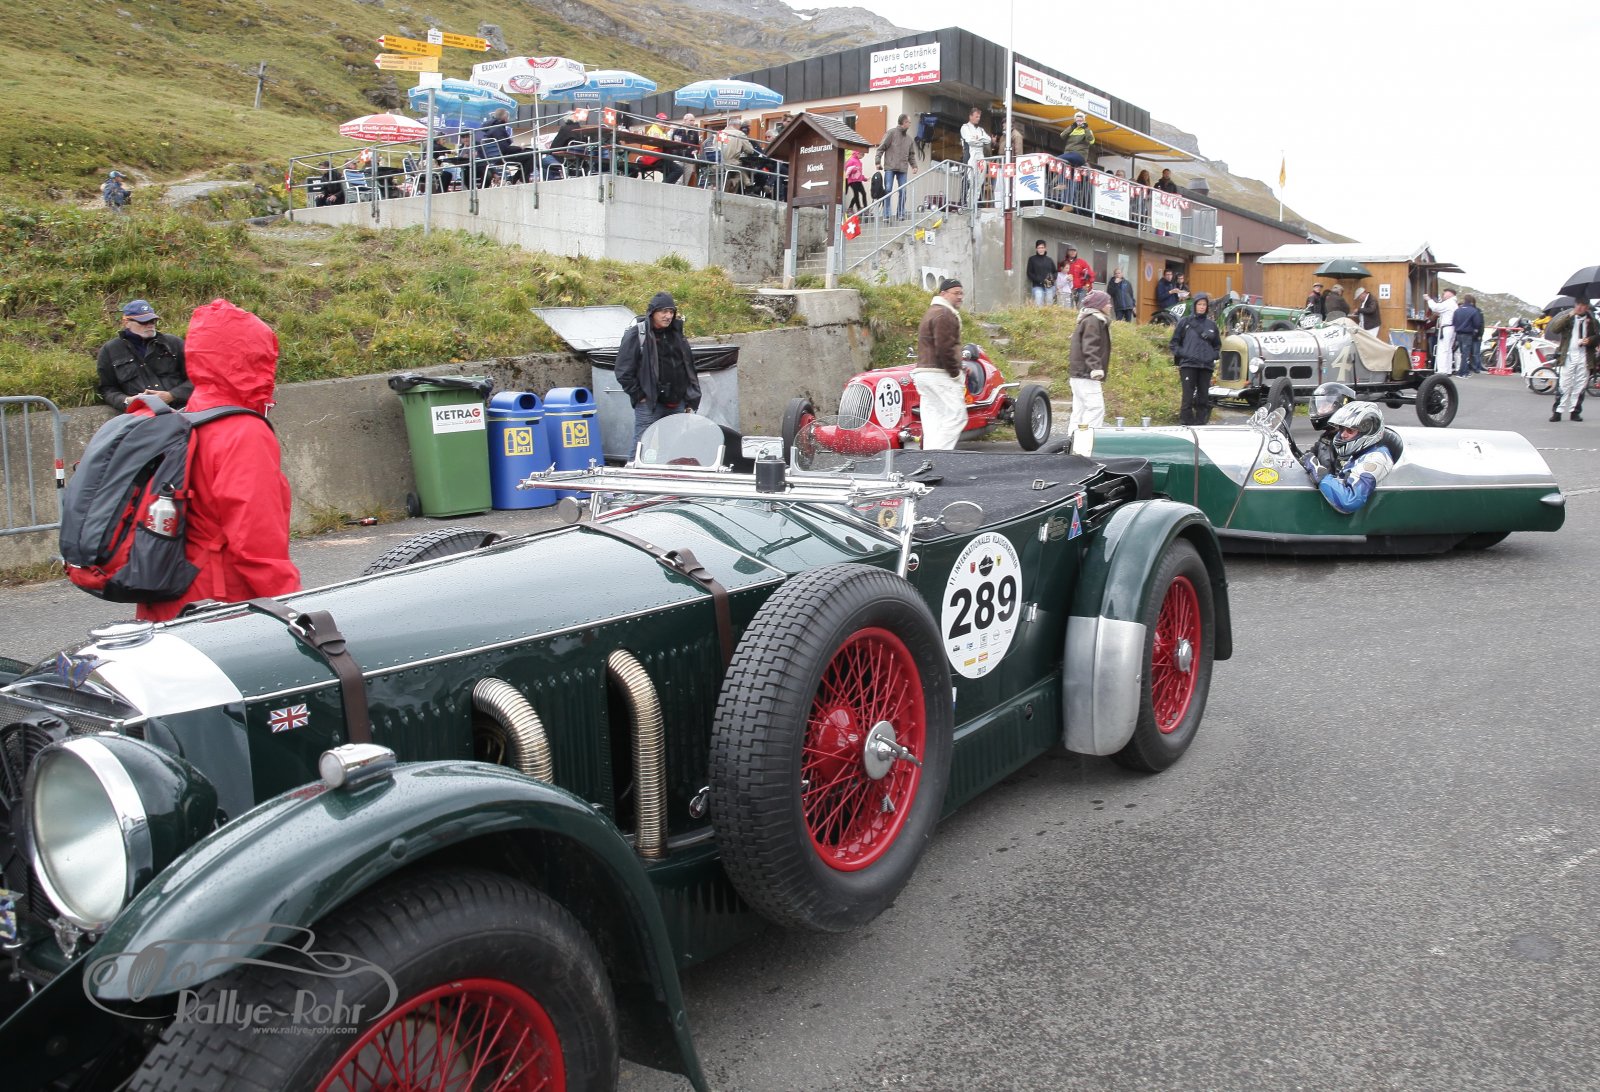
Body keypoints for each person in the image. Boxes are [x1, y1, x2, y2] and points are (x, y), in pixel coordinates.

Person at [137, 299, 300, 623]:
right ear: (254, 359)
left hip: (159, 598)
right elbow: (256, 544)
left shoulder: (172, 421)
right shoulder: (242, 432)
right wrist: (294, 611)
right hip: (220, 609)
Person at [615, 291, 700, 445]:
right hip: (649, 405)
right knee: (642, 447)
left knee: (673, 450)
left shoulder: (677, 334)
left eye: (671, 312)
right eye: (663, 311)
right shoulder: (637, 334)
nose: (668, 316)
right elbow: (623, 370)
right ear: (652, 312)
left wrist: (689, 398)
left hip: (677, 403)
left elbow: (688, 367)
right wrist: (640, 395)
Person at [1300, 401, 1397, 514]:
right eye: (1342, 429)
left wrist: (1318, 472)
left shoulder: (1375, 459)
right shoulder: (1359, 453)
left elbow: (1350, 501)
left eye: (1350, 430)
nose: (1343, 435)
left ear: (1368, 431)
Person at [96, 300, 191, 412]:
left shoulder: (173, 343)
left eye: (152, 321)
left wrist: (172, 395)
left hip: (182, 410)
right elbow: (107, 389)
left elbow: (198, 378)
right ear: (126, 322)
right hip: (141, 414)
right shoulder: (110, 350)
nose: (150, 325)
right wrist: (127, 401)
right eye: (143, 322)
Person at [913, 278, 968, 449]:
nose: (960, 297)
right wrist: (955, 373)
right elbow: (945, 348)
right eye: (956, 293)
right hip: (939, 374)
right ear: (943, 294)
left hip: (923, 373)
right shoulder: (945, 314)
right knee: (957, 416)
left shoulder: (932, 311)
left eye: (961, 293)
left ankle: (930, 458)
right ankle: (939, 456)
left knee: (934, 420)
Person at [1170, 292, 1220, 425]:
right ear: (1195, 305)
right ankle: (1186, 422)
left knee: (1203, 397)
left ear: (1207, 307)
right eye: (1199, 304)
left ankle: (1201, 423)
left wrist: (1213, 355)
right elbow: (1174, 343)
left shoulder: (1211, 325)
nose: (1202, 307)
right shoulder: (1185, 322)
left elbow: (1217, 345)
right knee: (1187, 397)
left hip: (1206, 366)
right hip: (1188, 365)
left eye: (1204, 304)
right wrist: (1184, 353)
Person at [1068, 289, 1113, 433]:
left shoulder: (1087, 319)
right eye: (1107, 302)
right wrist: (1096, 368)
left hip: (1078, 373)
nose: (1110, 305)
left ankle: (1073, 440)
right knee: (1095, 408)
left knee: (1080, 410)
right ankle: (1088, 440)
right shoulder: (1093, 320)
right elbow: (1090, 346)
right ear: (1099, 304)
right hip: (1087, 373)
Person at [1546, 300, 1597, 422]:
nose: (1579, 307)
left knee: (1580, 384)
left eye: (1582, 305)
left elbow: (1597, 337)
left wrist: (1590, 340)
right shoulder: (1568, 318)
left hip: (1584, 355)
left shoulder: (1593, 321)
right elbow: (1555, 329)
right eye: (1578, 304)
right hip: (1568, 354)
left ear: (1587, 307)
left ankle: (1575, 411)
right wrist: (1568, 316)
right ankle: (1558, 411)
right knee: (1564, 383)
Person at [875, 114, 919, 220]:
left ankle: (901, 213)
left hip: (902, 168)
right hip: (890, 167)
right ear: (904, 122)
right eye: (909, 122)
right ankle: (886, 215)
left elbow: (911, 155)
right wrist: (877, 161)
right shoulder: (891, 133)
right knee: (888, 190)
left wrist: (914, 165)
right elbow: (881, 148)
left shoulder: (909, 139)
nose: (910, 124)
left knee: (903, 191)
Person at [1059, 111, 1095, 208]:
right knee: (1070, 178)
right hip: (1069, 155)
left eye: (1081, 120)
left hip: (1079, 155)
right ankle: (1068, 204)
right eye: (1077, 120)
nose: (1079, 122)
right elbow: (1062, 136)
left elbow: (1091, 141)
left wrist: (1086, 128)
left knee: (1057, 160)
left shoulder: (1087, 130)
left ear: (1084, 120)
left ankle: (1062, 183)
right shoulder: (1072, 129)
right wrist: (1072, 127)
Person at [959, 107, 992, 207]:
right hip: (970, 156)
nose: (978, 119)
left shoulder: (980, 130)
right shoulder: (965, 127)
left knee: (980, 178)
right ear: (971, 116)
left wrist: (979, 138)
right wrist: (980, 141)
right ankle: (965, 201)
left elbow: (988, 140)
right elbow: (969, 140)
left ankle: (976, 201)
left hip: (980, 157)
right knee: (969, 178)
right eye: (976, 116)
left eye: (979, 117)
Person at [1424, 288, 1458, 375]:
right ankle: (1448, 369)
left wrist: (1428, 299)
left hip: (1446, 327)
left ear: (1450, 294)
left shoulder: (1449, 303)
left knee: (1442, 349)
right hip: (1452, 328)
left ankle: (1442, 370)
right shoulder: (1454, 303)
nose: (1444, 295)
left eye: (1445, 293)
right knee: (1448, 349)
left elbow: (1435, 308)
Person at [1452, 294, 1484, 375]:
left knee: (1461, 353)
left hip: (1458, 333)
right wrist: (1474, 330)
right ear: (1471, 301)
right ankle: (1463, 372)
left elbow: (1454, 322)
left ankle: (1462, 370)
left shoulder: (1457, 310)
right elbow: (1477, 323)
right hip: (1468, 334)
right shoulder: (1474, 311)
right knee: (1465, 354)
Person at [1026, 240, 1056, 306]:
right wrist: (1039, 280)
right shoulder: (1032, 259)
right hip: (1037, 285)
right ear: (1036, 249)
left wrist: (1051, 279)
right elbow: (1029, 273)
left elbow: (1055, 272)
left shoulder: (1049, 260)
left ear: (1045, 248)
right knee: (1038, 302)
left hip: (1049, 286)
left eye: (1042, 247)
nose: (1041, 249)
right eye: (1039, 248)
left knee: (1049, 304)